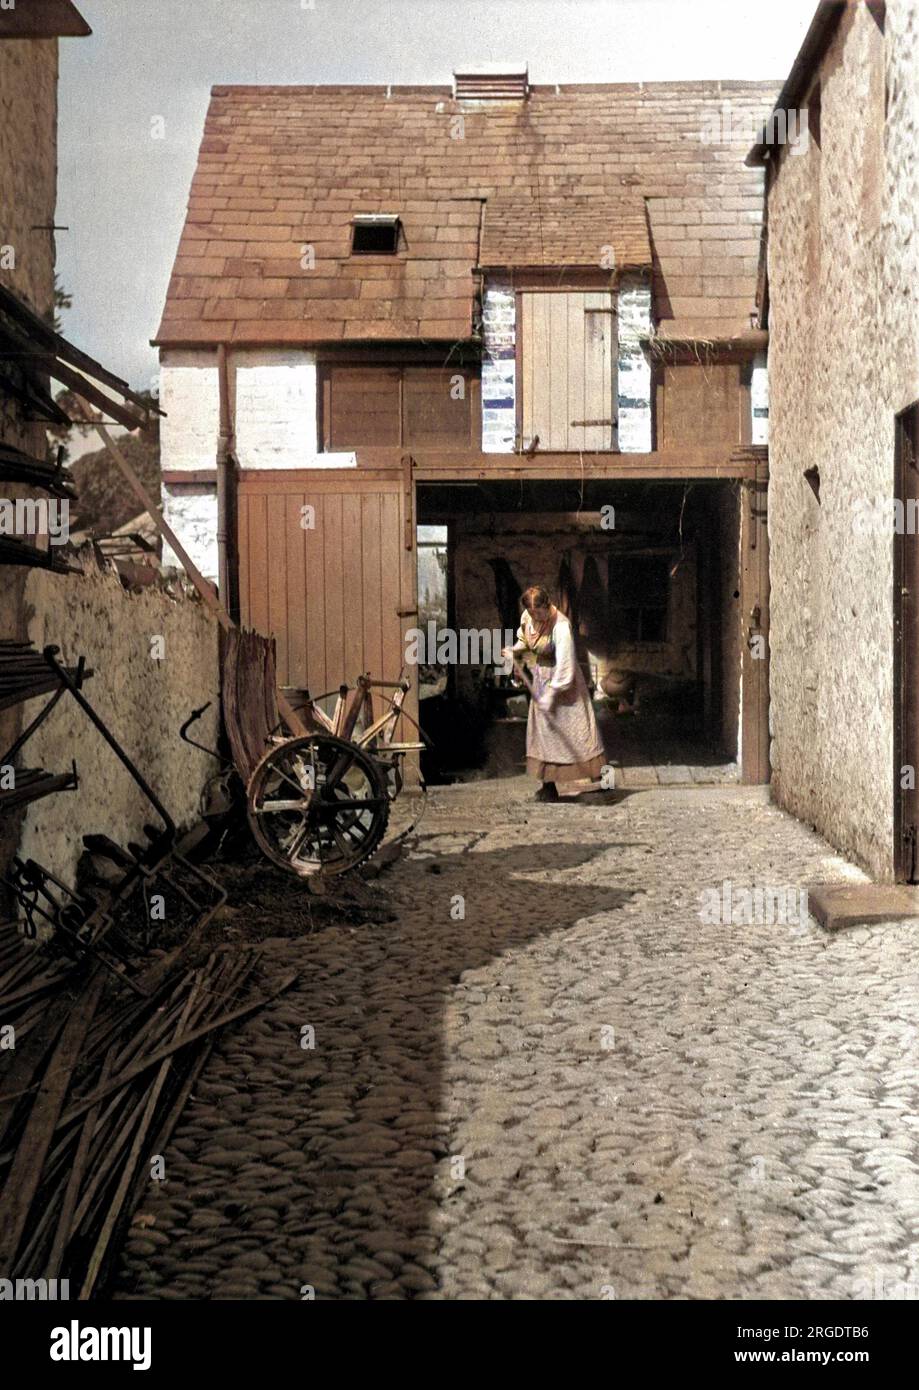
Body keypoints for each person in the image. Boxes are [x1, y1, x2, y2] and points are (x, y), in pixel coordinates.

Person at [501, 585, 605, 802]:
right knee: (544, 736)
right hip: (542, 678)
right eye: (531, 614)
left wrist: (551, 694)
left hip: (565, 685)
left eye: (538, 613)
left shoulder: (561, 626)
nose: (535, 618)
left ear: (547, 606)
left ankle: (604, 782)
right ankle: (549, 787)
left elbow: (566, 664)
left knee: (579, 734)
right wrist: (514, 650)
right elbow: (525, 639)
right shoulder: (528, 617)